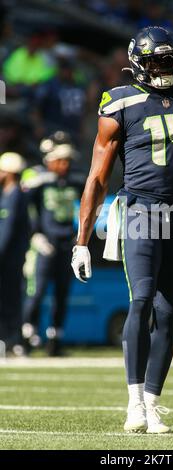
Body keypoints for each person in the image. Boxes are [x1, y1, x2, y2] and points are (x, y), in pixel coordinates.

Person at [71, 26, 173, 433]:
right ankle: (134, 403)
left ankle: (153, 404)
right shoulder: (119, 102)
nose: (164, 67)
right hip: (139, 208)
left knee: (167, 311)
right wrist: (81, 242)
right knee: (141, 301)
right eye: (156, 60)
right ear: (138, 61)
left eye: (169, 59)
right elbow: (97, 179)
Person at [22, 132, 85, 356]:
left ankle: (55, 337)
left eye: (67, 160)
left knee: (62, 293)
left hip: (66, 243)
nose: (64, 164)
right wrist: (34, 234)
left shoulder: (74, 180)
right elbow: (23, 208)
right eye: (60, 159)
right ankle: (27, 335)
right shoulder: (37, 179)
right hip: (43, 243)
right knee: (36, 291)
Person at [0, 152, 28, 354]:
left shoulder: (15, 195)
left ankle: (13, 340)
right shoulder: (8, 193)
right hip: (9, 257)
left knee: (10, 299)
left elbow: (7, 230)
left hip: (10, 258)